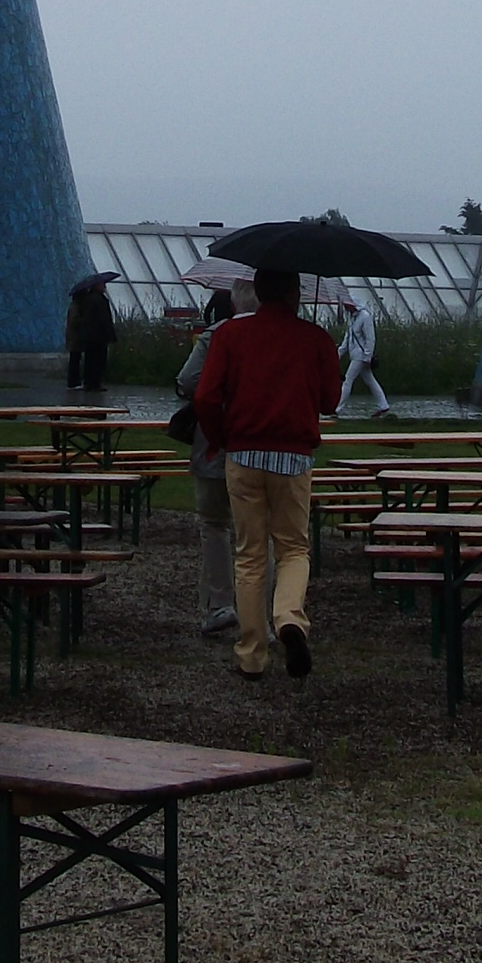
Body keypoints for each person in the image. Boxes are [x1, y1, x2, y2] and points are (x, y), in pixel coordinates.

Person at [194, 265, 342, 680]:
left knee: (250, 553)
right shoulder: (316, 339)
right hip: (292, 457)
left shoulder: (228, 336)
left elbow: (206, 396)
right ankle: (289, 618)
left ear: (257, 293)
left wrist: (220, 436)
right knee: (293, 548)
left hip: (242, 455)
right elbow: (331, 401)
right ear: (295, 293)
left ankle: (251, 652)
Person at [175, 286, 252, 636]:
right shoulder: (281, 334)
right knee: (256, 531)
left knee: (213, 523)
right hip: (258, 443)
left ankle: (221, 603)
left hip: (213, 440)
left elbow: (188, 380)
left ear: (234, 302)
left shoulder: (217, 335)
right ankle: (259, 613)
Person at [338, 297, 389, 415]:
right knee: (370, 380)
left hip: (360, 356)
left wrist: (367, 356)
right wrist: (338, 354)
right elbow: (347, 339)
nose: (345, 307)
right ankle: (384, 405)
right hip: (356, 355)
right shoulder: (352, 318)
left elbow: (370, 338)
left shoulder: (365, 317)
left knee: (348, 380)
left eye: (347, 305)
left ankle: (337, 409)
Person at [65, 275, 115, 395]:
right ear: (96, 285)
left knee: (90, 359)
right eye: (102, 284)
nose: (104, 286)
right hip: (98, 336)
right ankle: (94, 383)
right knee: (97, 360)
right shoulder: (96, 300)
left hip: (91, 336)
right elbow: (101, 319)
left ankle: (90, 382)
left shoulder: (89, 299)